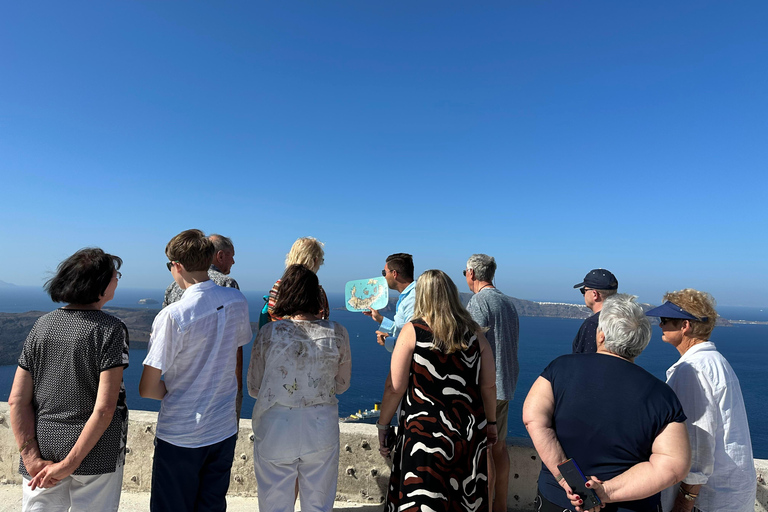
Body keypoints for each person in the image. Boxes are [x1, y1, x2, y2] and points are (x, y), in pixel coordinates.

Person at [523, 294, 691, 512]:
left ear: (601, 335)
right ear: (642, 343)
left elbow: (532, 418)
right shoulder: (661, 395)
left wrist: (569, 481)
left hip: (559, 501)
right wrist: (606, 491)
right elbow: (674, 465)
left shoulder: (559, 369)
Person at [139, 229, 252, 512]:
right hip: (222, 426)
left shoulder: (173, 315)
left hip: (181, 432)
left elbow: (148, 388)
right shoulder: (237, 301)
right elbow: (234, 348)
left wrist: (176, 390)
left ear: (177, 265)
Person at [9, 248, 128, 512]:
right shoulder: (110, 329)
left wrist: (31, 458)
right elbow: (105, 407)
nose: (117, 280)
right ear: (99, 285)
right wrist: (70, 464)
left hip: (42, 449)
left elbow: (17, 400)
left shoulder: (42, 325)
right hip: (97, 454)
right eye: (114, 275)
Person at [377, 269, 498, 511]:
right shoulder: (474, 334)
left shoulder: (413, 331)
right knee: (463, 501)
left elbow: (395, 387)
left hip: (423, 435)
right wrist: (492, 423)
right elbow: (488, 385)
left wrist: (383, 425)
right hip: (467, 433)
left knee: (422, 499)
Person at [248, 264, 351, 512]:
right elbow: (342, 385)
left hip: (276, 423)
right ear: (316, 295)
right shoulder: (338, 333)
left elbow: (254, 387)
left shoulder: (268, 333)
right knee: (318, 502)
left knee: (274, 503)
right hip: (321, 424)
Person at [645, 290, 756, 512]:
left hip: (707, 500)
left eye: (665, 320)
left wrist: (685, 500)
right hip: (728, 494)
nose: (660, 325)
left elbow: (698, 440)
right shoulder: (715, 360)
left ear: (685, 325)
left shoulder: (692, 370)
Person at [161, 233, 246, 419]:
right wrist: (238, 386)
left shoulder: (172, 287)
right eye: (231, 255)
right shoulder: (228, 285)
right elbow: (235, 344)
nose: (233, 262)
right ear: (220, 255)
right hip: (219, 389)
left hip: (181, 387)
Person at [464, 254, 520, 512]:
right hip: (505, 384)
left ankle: (485, 507)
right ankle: (501, 506)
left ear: (472, 274)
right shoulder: (508, 303)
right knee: (499, 447)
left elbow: (470, 345)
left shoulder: (479, 302)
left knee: (484, 450)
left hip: (484, 386)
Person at [267, 236, 329, 321]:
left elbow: (272, 316)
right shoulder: (317, 292)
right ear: (315, 260)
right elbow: (324, 323)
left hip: (278, 333)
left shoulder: (277, 287)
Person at [363, 252, 415, 352]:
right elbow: (402, 328)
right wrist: (380, 319)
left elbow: (412, 339)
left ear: (394, 274)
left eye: (384, 272)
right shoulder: (408, 296)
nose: (384, 277)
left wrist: (388, 342)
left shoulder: (412, 299)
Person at [571, 268, 618, 353]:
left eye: (583, 290)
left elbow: (584, 360)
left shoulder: (593, 324)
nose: (583, 295)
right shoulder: (624, 320)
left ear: (595, 294)